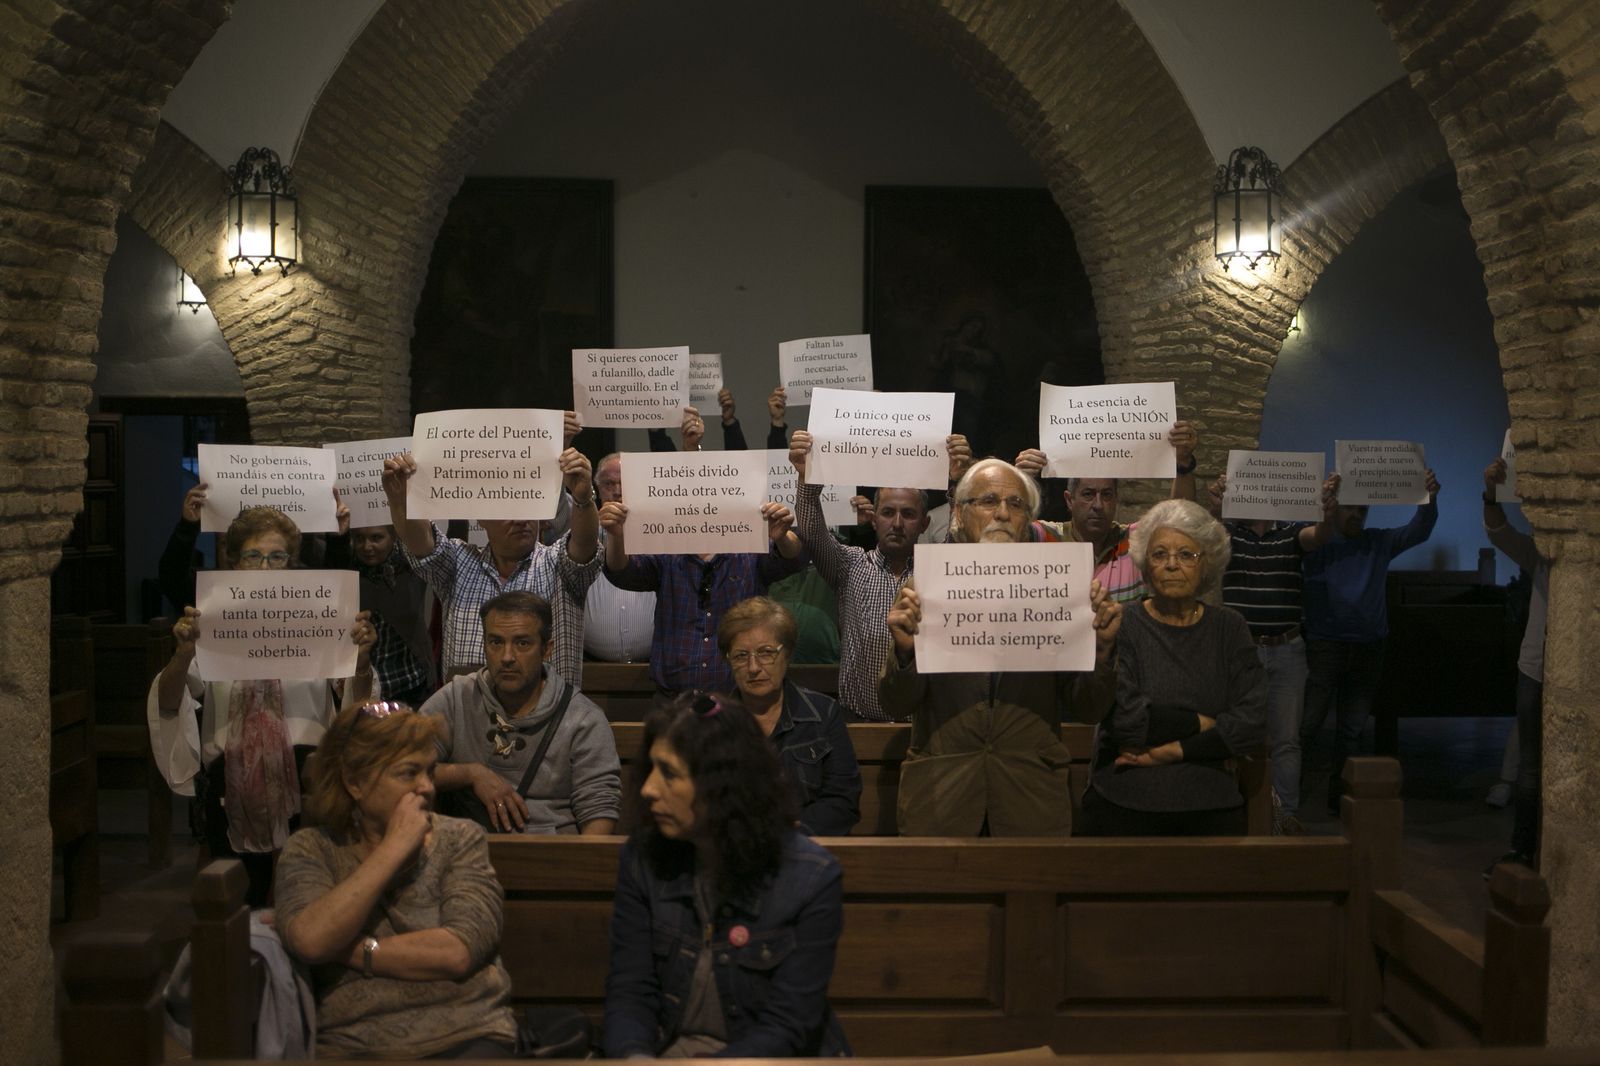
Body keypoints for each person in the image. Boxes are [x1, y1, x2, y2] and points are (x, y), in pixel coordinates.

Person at [879, 458, 1123, 836]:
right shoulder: (921, 588)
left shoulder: (1059, 588)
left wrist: (1103, 652)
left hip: (1030, 796)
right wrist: (906, 654)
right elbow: (896, 703)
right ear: (960, 513)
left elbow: (1088, 708)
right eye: (989, 501)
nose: (1003, 514)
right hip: (942, 795)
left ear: (1029, 518)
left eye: (1016, 504)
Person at [148, 506, 377, 905]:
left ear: (291, 563)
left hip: (309, 774)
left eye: (276, 556)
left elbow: (355, 701)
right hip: (232, 776)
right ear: (234, 563)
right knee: (242, 898)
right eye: (253, 556)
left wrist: (360, 657)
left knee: (310, 890)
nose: (265, 566)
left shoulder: (319, 615)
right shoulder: (213, 621)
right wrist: (183, 653)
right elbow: (170, 702)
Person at [603, 693, 849, 1058]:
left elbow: (787, 1026)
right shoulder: (643, 859)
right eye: (651, 768)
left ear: (722, 785)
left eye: (669, 773)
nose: (648, 789)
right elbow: (630, 994)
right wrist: (636, 1058)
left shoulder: (811, 878)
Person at [274, 700, 520, 1059]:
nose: (426, 787)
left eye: (430, 772)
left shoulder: (461, 838)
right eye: (408, 773)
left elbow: (458, 951)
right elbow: (311, 941)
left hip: (467, 1034)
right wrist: (393, 849)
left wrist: (348, 948)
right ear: (354, 782)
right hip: (355, 1045)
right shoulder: (310, 849)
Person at [1082, 499, 1268, 835]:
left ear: (1206, 565)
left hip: (1212, 803)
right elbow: (1128, 722)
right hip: (1126, 799)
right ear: (1145, 564)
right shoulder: (1124, 625)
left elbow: (1252, 720)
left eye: (1186, 555)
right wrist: (1205, 724)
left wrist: (1174, 751)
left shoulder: (1230, 627)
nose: (1171, 565)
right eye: (1159, 554)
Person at [381, 430, 601, 685]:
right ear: (481, 520)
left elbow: (584, 547)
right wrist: (400, 498)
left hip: (546, 718)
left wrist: (584, 498)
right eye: (508, 510)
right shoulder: (459, 562)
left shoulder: (558, 564)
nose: (521, 519)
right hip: (471, 714)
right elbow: (421, 543)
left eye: (529, 506)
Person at [788, 428, 970, 722]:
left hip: (921, 725)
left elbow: (961, 535)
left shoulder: (940, 569)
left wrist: (959, 480)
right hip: (857, 721)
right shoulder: (850, 565)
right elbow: (810, 532)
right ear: (874, 520)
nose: (897, 523)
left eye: (908, 514)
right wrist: (807, 477)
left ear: (924, 523)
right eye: (888, 512)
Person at [1203, 470, 1341, 833]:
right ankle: (1236, 813)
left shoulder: (1292, 532)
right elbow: (1205, 537)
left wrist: (1328, 512)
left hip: (1287, 649)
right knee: (1234, 734)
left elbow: (1321, 535)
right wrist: (1216, 509)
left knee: (1286, 741)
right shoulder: (1229, 534)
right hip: (1241, 652)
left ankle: (1285, 818)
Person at [1300, 467, 1440, 814]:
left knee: (1351, 730)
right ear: (1338, 508)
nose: (1357, 515)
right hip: (1325, 644)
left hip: (1368, 646)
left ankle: (1338, 800)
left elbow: (1418, 531)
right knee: (1307, 725)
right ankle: (1289, 797)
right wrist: (1323, 506)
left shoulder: (1377, 541)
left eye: (1362, 510)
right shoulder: (1319, 541)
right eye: (1350, 508)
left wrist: (1429, 499)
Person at [421, 591, 620, 835]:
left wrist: (575, 870)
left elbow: (599, 812)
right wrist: (469, 774)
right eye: (496, 642)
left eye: (522, 643)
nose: (507, 657)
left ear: (547, 649)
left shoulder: (582, 718)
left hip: (550, 858)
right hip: (466, 855)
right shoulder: (456, 698)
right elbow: (400, 768)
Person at [598, 496, 808, 694]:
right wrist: (616, 536)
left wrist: (783, 536)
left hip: (739, 703)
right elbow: (622, 573)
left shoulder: (750, 549)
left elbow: (793, 559)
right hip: (673, 702)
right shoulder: (665, 550)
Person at [717, 597, 861, 835]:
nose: (753, 667)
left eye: (766, 653)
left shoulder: (823, 714)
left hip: (806, 850)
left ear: (788, 654)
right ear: (728, 661)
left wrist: (792, 833)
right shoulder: (712, 721)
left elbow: (843, 800)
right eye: (741, 656)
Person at [1014, 421, 1201, 603]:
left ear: (1116, 499)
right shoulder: (1045, 537)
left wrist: (1183, 464)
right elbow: (1003, 532)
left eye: (1106, 495)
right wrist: (1019, 480)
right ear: (1069, 500)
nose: (1098, 505)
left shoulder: (1135, 541)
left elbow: (1179, 522)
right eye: (1088, 494)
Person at [1483, 455, 1548, 871]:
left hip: (1552, 668)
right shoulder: (1538, 553)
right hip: (1535, 667)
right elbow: (1499, 531)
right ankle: (1523, 851)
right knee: (1529, 768)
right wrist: (1490, 492)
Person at [327, 522, 438, 708]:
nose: (367, 546)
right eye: (359, 538)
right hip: (366, 688)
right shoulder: (345, 569)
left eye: (376, 538)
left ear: (394, 537)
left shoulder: (412, 565)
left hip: (413, 684)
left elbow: (439, 544)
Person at [584, 452, 656, 663]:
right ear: (597, 488)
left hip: (653, 669)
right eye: (609, 483)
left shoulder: (660, 532)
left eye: (625, 483)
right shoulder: (583, 533)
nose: (617, 491)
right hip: (591, 670)